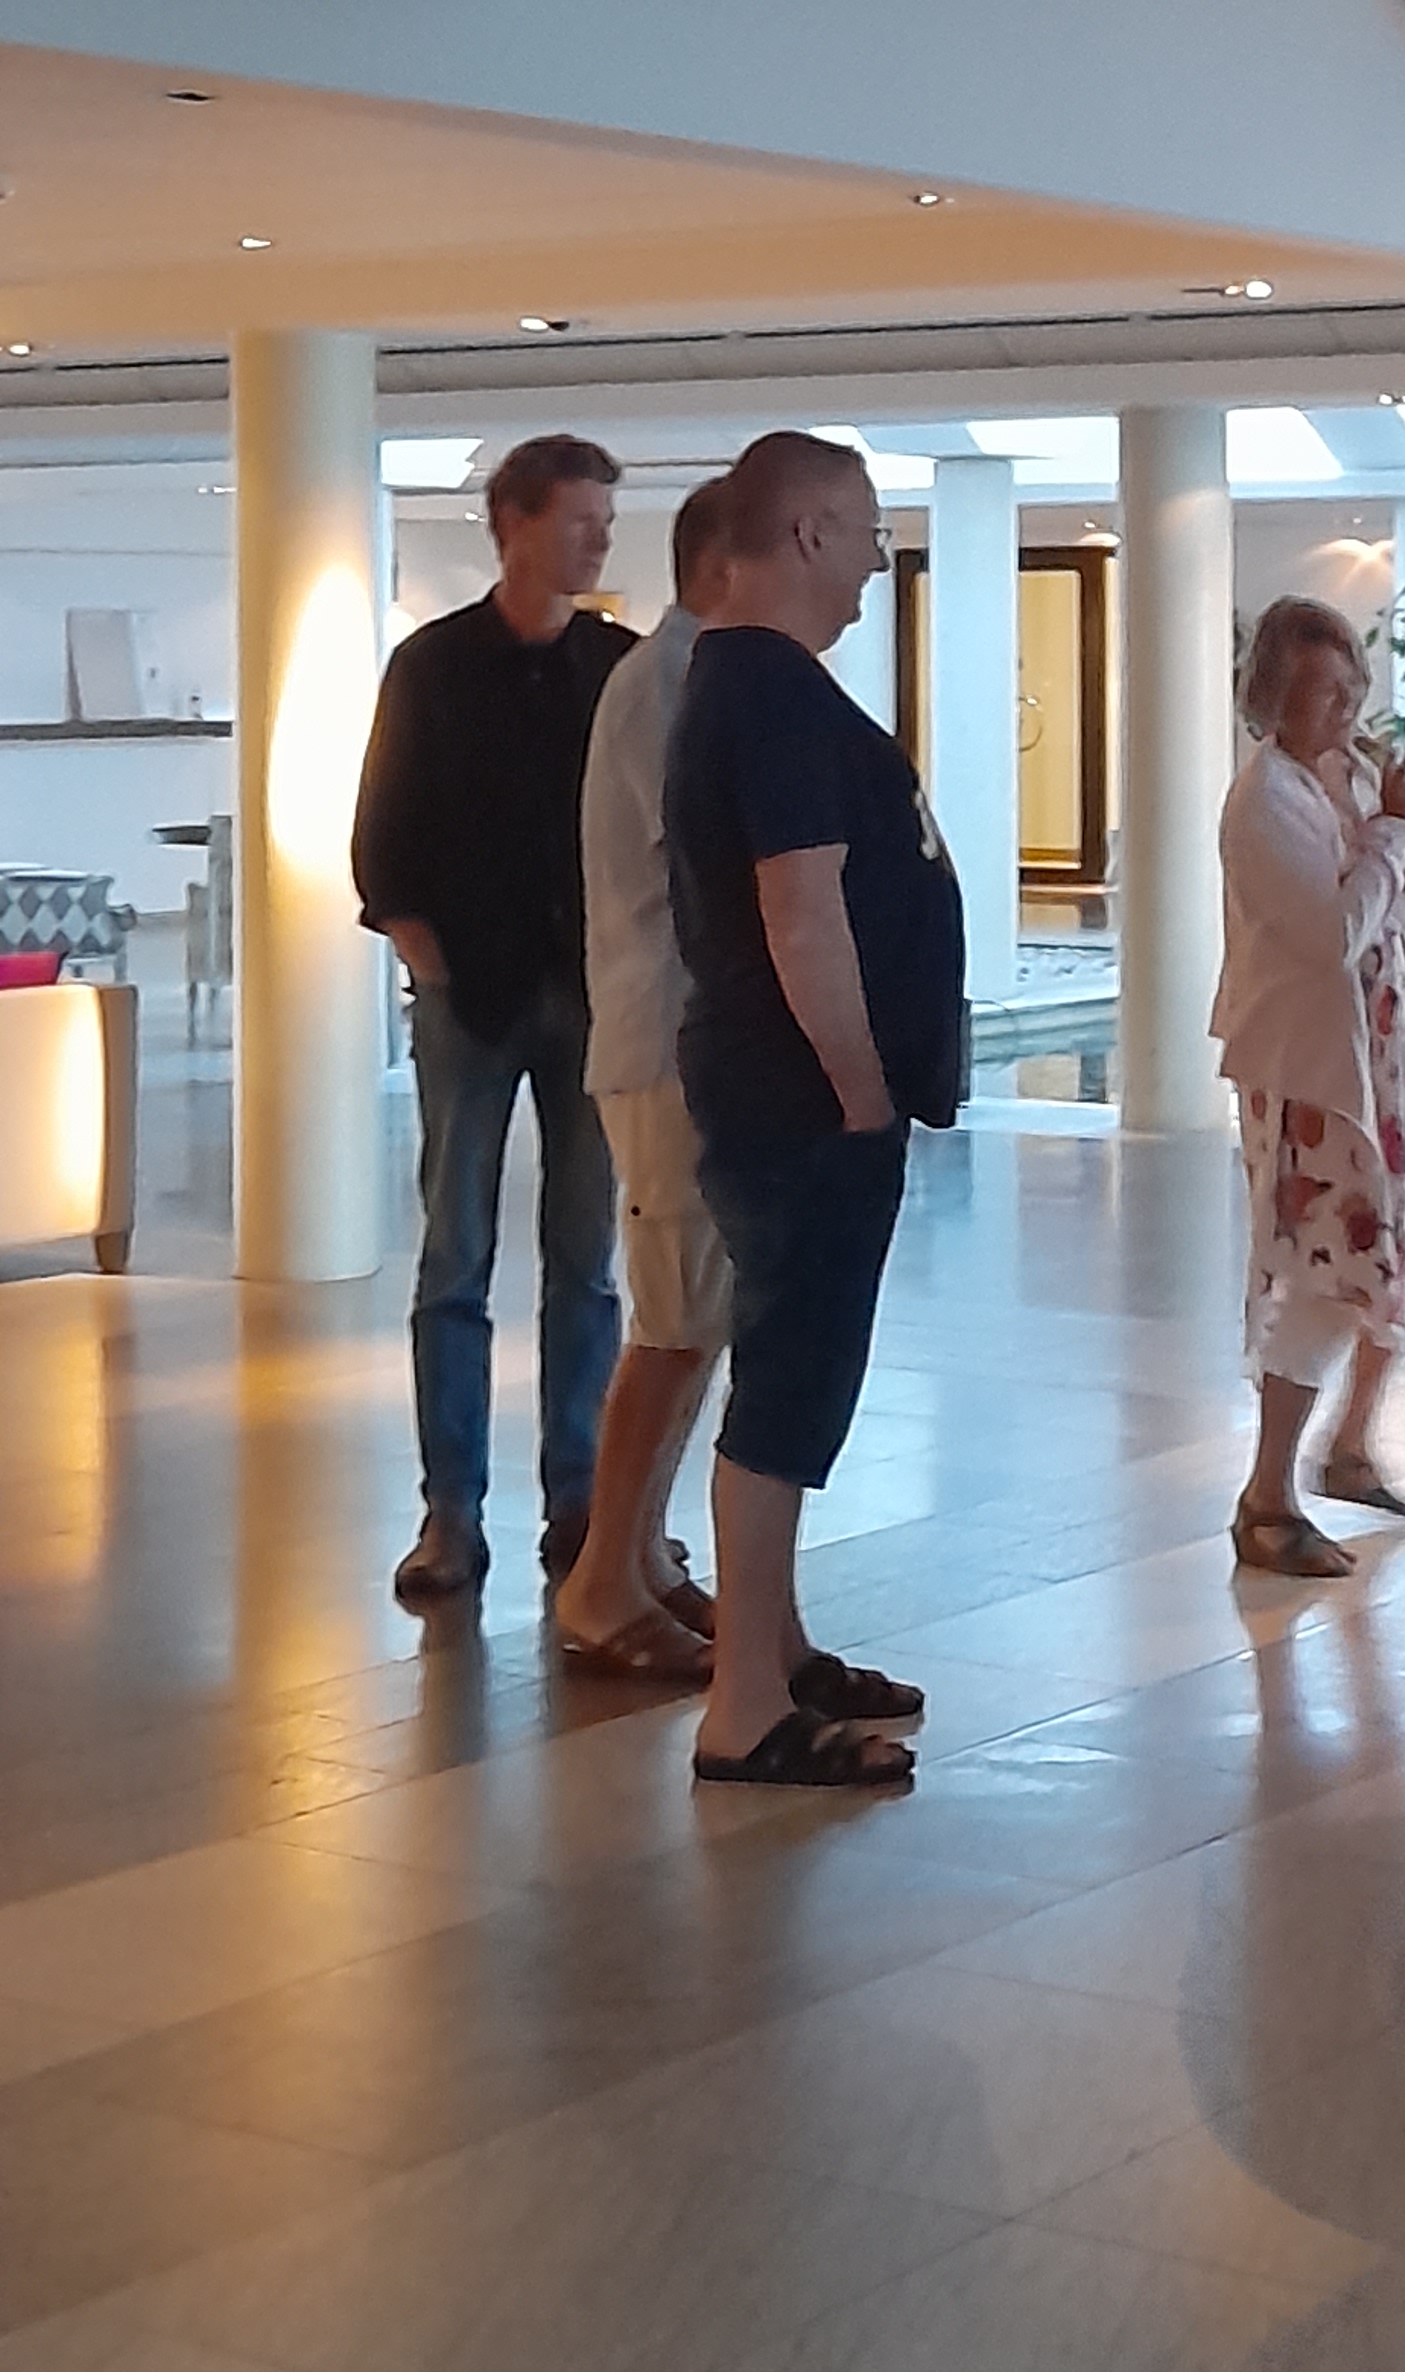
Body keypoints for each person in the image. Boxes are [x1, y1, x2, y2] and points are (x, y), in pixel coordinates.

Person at [667, 430, 964, 1788]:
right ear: (806, 534)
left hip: (789, 1090)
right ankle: (743, 1704)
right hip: (799, 1097)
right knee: (789, 1378)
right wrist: (857, 1085)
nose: (874, 564)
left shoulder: (758, 684)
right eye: (867, 535)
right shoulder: (771, 693)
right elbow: (802, 911)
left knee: (792, 1368)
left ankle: (771, 1647)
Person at [353, 431, 632, 1605]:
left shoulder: (616, 667)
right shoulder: (431, 667)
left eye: (604, 522)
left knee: (587, 1262)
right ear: (511, 524)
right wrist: (432, 965)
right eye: (578, 520)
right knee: (454, 1258)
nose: (598, 541)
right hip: (473, 999)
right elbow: (383, 839)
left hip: (592, 997)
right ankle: (451, 1512)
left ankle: (582, 1500)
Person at [1211, 595, 1405, 1575]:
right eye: (1321, 693)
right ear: (1273, 700)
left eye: (1353, 689)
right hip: (1315, 1075)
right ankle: (1267, 1495)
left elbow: (1396, 908)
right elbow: (1330, 936)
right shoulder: (1264, 802)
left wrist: (1392, 834)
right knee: (1323, 1274)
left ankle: (1349, 1446)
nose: (1345, 711)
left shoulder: (1345, 780)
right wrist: (1392, 833)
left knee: (1394, 1255)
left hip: (1378, 1064)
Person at [553, 476, 736, 1680]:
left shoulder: (694, 676)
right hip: (664, 1040)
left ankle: (644, 1551)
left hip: (688, 1043)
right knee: (670, 1319)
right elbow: (711, 856)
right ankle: (603, 1576)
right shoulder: (664, 682)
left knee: (697, 1317)